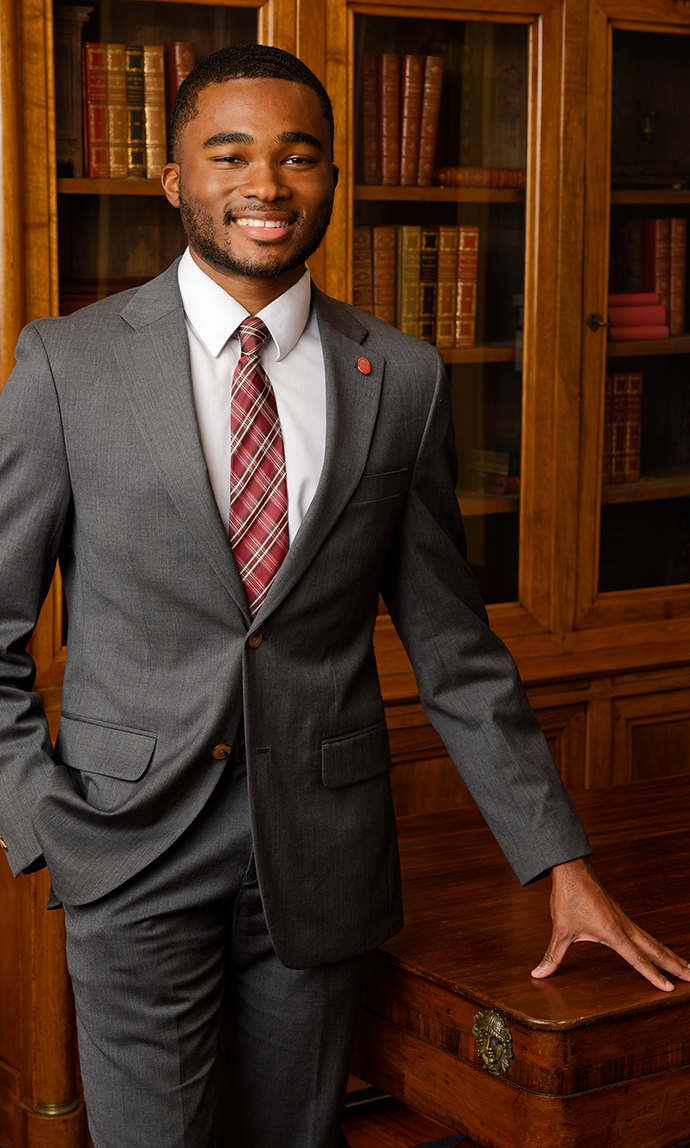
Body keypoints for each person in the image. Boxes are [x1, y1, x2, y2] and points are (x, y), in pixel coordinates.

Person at [0, 44, 687, 1148]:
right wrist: (44, 822)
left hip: (321, 866)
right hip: (127, 853)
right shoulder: (66, 365)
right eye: (229, 154)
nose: (265, 184)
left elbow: (455, 648)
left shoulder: (402, 377)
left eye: (298, 155)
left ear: (331, 179)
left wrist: (563, 863)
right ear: (172, 179)